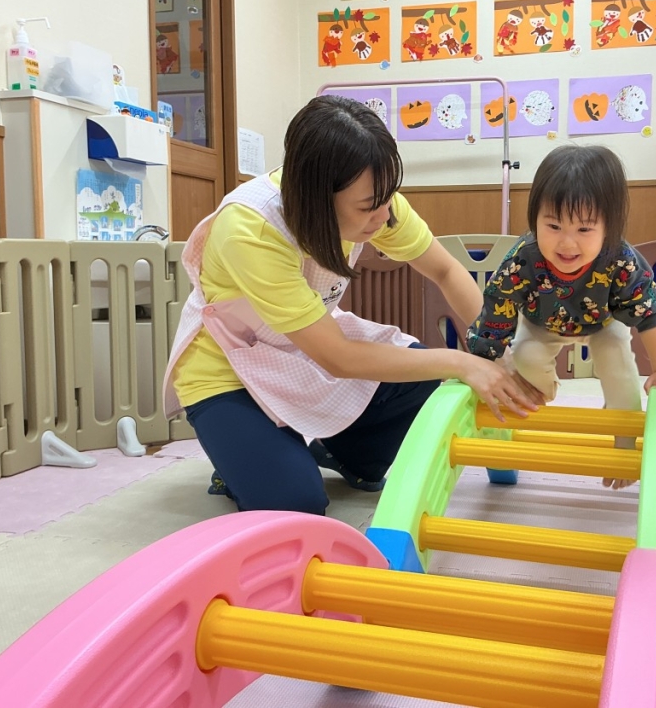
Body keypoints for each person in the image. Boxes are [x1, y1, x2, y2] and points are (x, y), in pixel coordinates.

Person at [163, 95, 539, 516]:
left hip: (308, 346)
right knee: (296, 505)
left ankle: (344, 454)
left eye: (386, 199)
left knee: (427, 381)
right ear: (316, 199)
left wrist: (499, 351)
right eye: (367, 208)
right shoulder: (251, 228)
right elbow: (338, 357)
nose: (383, 216)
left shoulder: (378, 201)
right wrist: (462, 361)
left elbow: (447, 272)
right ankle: (245, 459)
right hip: (230, 369)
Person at [465, 144, 656, 490]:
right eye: (553, 226)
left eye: (584, 230)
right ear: (534, 221)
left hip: (604, 322)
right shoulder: (523, 258)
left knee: (619, 368)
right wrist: (484, 362)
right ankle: (544, 389)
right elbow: (499, 307)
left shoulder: (621, 259)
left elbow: (648, 313)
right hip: (541, 322)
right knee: (525, 357)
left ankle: (623, 444)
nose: (567, 243)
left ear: (609, 226)